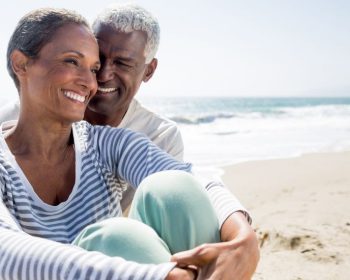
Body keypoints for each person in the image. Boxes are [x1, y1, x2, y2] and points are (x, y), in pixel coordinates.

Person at [0, 7, 259, 280]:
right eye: (72, 62)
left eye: (93, 68)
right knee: (115, 239)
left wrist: (243, 237)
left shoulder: (106, 144)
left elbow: (190, 179)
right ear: (21, 64)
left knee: (173, 185)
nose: (92, 81)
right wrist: (151, 275)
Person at [0, 4, 183, 212]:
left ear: (148, 71)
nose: (102, 76)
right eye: (98, 61)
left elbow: (187, 187)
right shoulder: (13, 120)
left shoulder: (156, 138)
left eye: (122, 64)